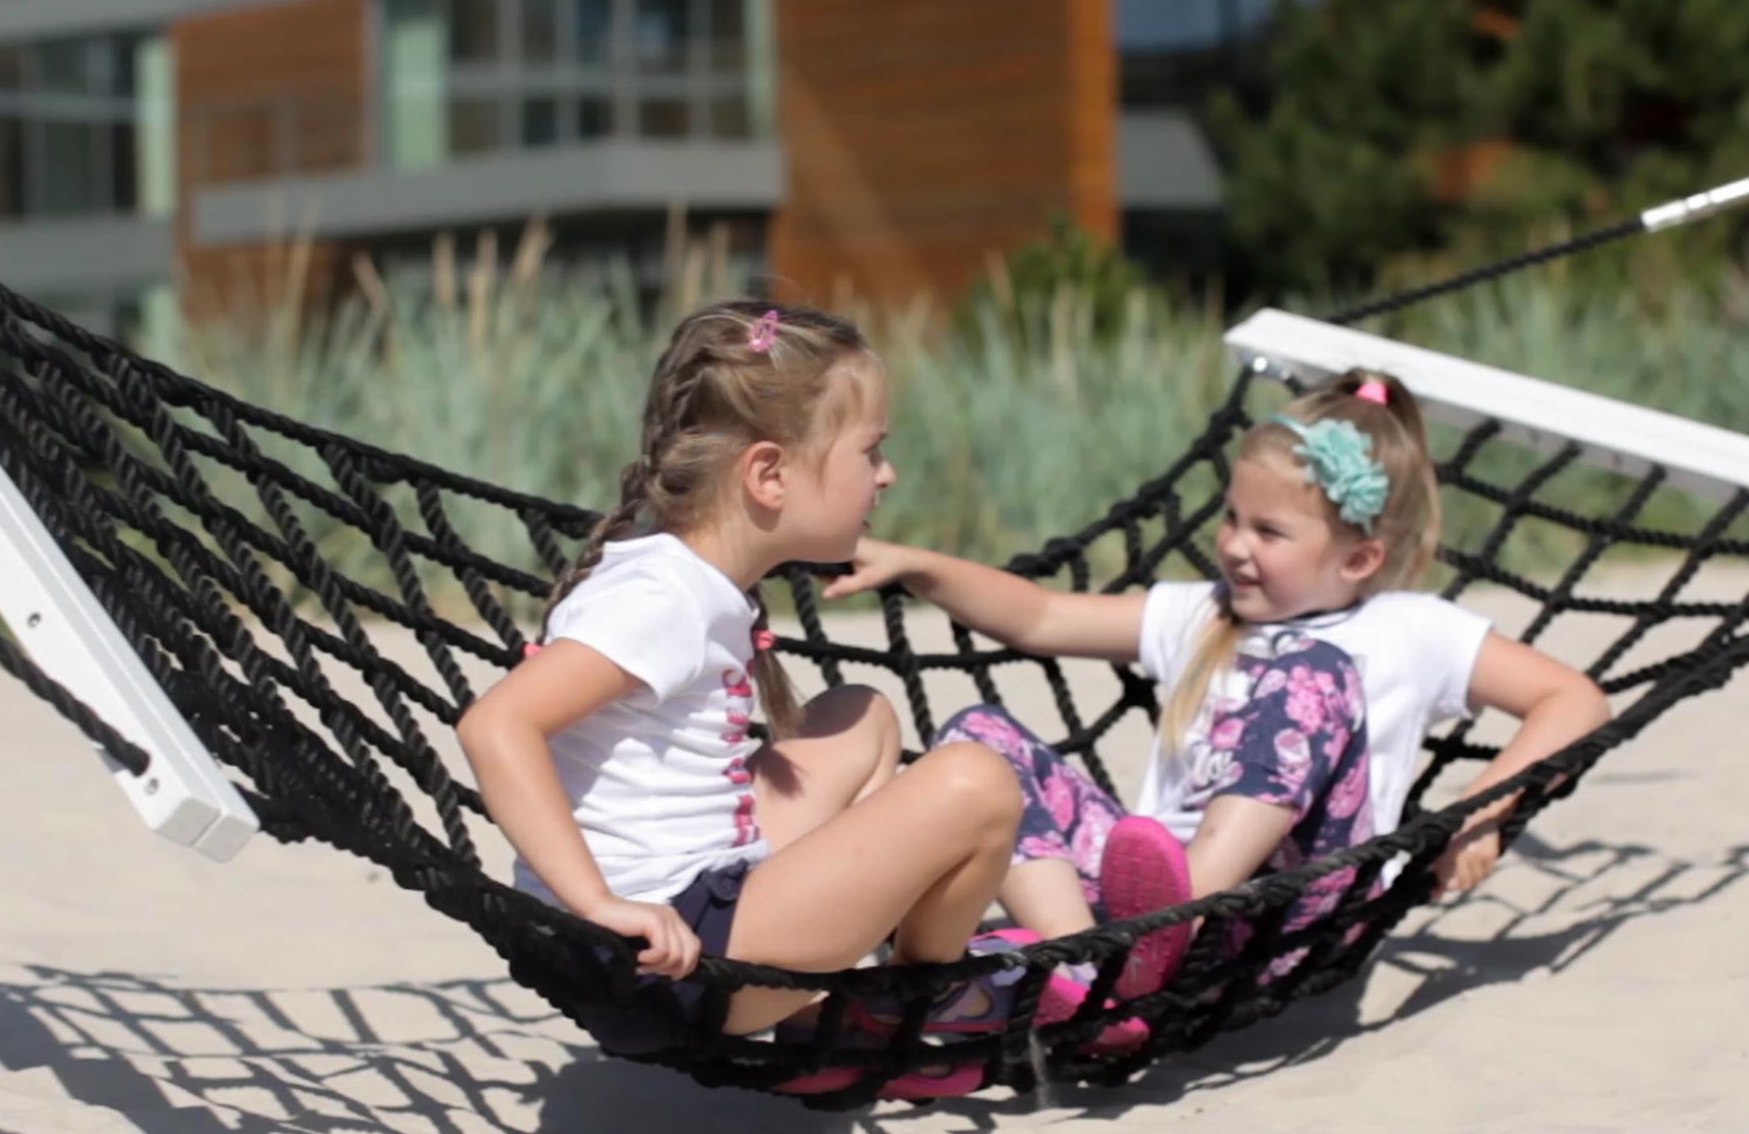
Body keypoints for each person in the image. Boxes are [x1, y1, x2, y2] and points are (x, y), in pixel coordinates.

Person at [828, 368, 1613, 991]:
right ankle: (1084, 965)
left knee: (1312, 671)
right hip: (1138, 907)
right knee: (978, 739)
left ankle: (1174, 916)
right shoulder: (1205, 613)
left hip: (1295, 916)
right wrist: (917, 565)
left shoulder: (1408, 630)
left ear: (1360, 557)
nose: (1235, 545)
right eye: (1232, 517)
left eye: (1269, 531)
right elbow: (1040, 617)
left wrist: (1477, 817)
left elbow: (1572, 698)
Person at [461, 301, 1029, 1055]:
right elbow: (496, 725)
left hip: (692, 910)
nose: (886, 474)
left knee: (860, 715)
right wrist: (597, 904)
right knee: (977, 784)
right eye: (871, 452)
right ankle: (917, 1000)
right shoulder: (663, 598)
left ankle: (840, 993)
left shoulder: (684, 575)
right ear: (767, 474)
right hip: (665, 961)